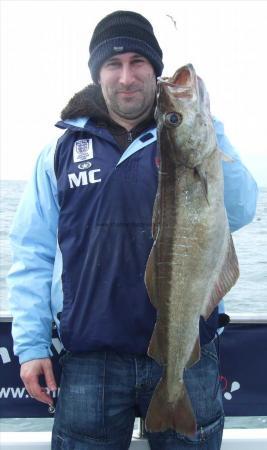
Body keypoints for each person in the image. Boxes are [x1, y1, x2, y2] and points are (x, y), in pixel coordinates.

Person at [8, 10, 258, 450]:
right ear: (97, 73)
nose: (126, 76)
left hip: (188, 352)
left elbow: (239, 210)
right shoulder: (60, 150)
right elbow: (33, 252)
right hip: (89, 359)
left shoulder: (189, 140)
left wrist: (205, 124)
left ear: (156, 74)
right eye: (113, 63)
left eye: (138, 62)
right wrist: (30, 346)